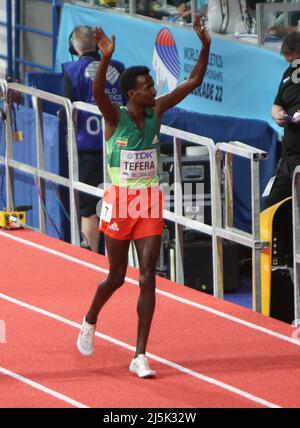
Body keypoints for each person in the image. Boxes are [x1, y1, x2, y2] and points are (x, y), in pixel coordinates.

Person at [77, 14, 211, 378]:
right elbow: (97, 93)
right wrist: (104, 58)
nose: (153, 90)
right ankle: (90, 318)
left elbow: (194, 81)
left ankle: (140, 355)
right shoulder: (113, 117)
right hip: (120, 202)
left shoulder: (157, 111)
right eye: (148, 87)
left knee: (148, 274)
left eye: (153, 86)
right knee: (117, 276)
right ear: (132, 92)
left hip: (149, 202)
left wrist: (206, 44)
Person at [62, 25, 125, 252]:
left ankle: (90, 262)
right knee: (116, 205)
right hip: (118, 149)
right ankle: (117, 261)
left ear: (74, 47)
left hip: (88, 150)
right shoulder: (118, 69)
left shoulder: (72, 71)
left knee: (89, 208)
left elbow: (66, 111)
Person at [263, 32, 300, 209]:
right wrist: (278, 114)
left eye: (294, 61)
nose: (292, 65)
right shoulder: (289, 74)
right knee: (271, 206)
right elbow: (276, 105)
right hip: (289, 157)